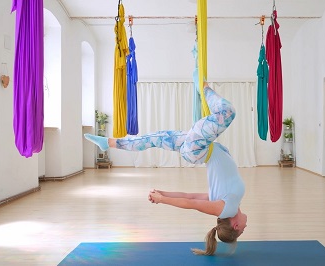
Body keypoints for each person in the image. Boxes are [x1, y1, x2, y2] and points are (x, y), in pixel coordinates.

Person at [84, 83, 247, 256]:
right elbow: (189, 196)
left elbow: (191, 203)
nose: (246, 227)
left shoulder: (226, 209)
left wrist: (162, 199)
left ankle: (204, 87)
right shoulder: (227, 202)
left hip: (198, 149)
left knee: (228, 112)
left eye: (242, 231)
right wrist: (164, 193)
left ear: (235, 226)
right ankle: (110, 143)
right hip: (199, 148)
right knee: (156, 138)